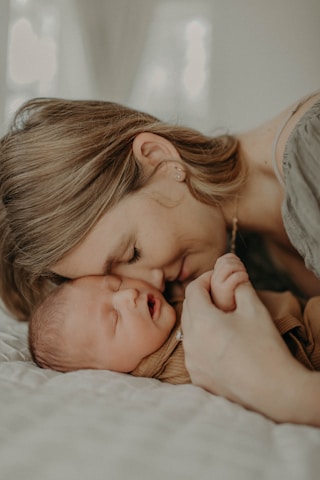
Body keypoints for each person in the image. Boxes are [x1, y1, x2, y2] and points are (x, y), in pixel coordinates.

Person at [1, 89, 320, 424]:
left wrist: (272, 387)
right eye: (115, 280)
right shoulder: (231, 258)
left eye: (132, 251)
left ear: (157, 157)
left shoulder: (311, 153)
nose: (151, 284)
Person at [29, 253, 320, 388]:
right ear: (109, 370)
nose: (128, 295)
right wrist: (223, 300)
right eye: (114, 318)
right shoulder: (175, 366)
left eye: (116, 284)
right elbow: (233, 360)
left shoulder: (165, 317)